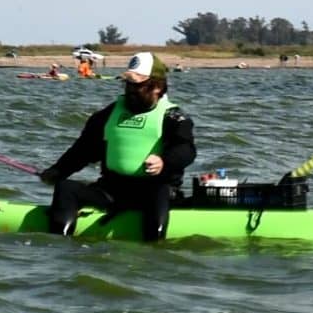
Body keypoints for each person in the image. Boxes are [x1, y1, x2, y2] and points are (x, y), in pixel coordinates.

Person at [39, 52, 196, 242]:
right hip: (112, 190)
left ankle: (153, 248)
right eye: (128, 83)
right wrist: (57, 172)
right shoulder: (108, 114)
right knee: (66, 188)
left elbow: (186, 150)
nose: (130, 89)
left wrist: (164, 161)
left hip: (154, 192)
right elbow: (83, 150)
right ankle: (59, 245)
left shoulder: (174, 117)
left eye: (137, 85)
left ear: (157, 87)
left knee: (159, 191)